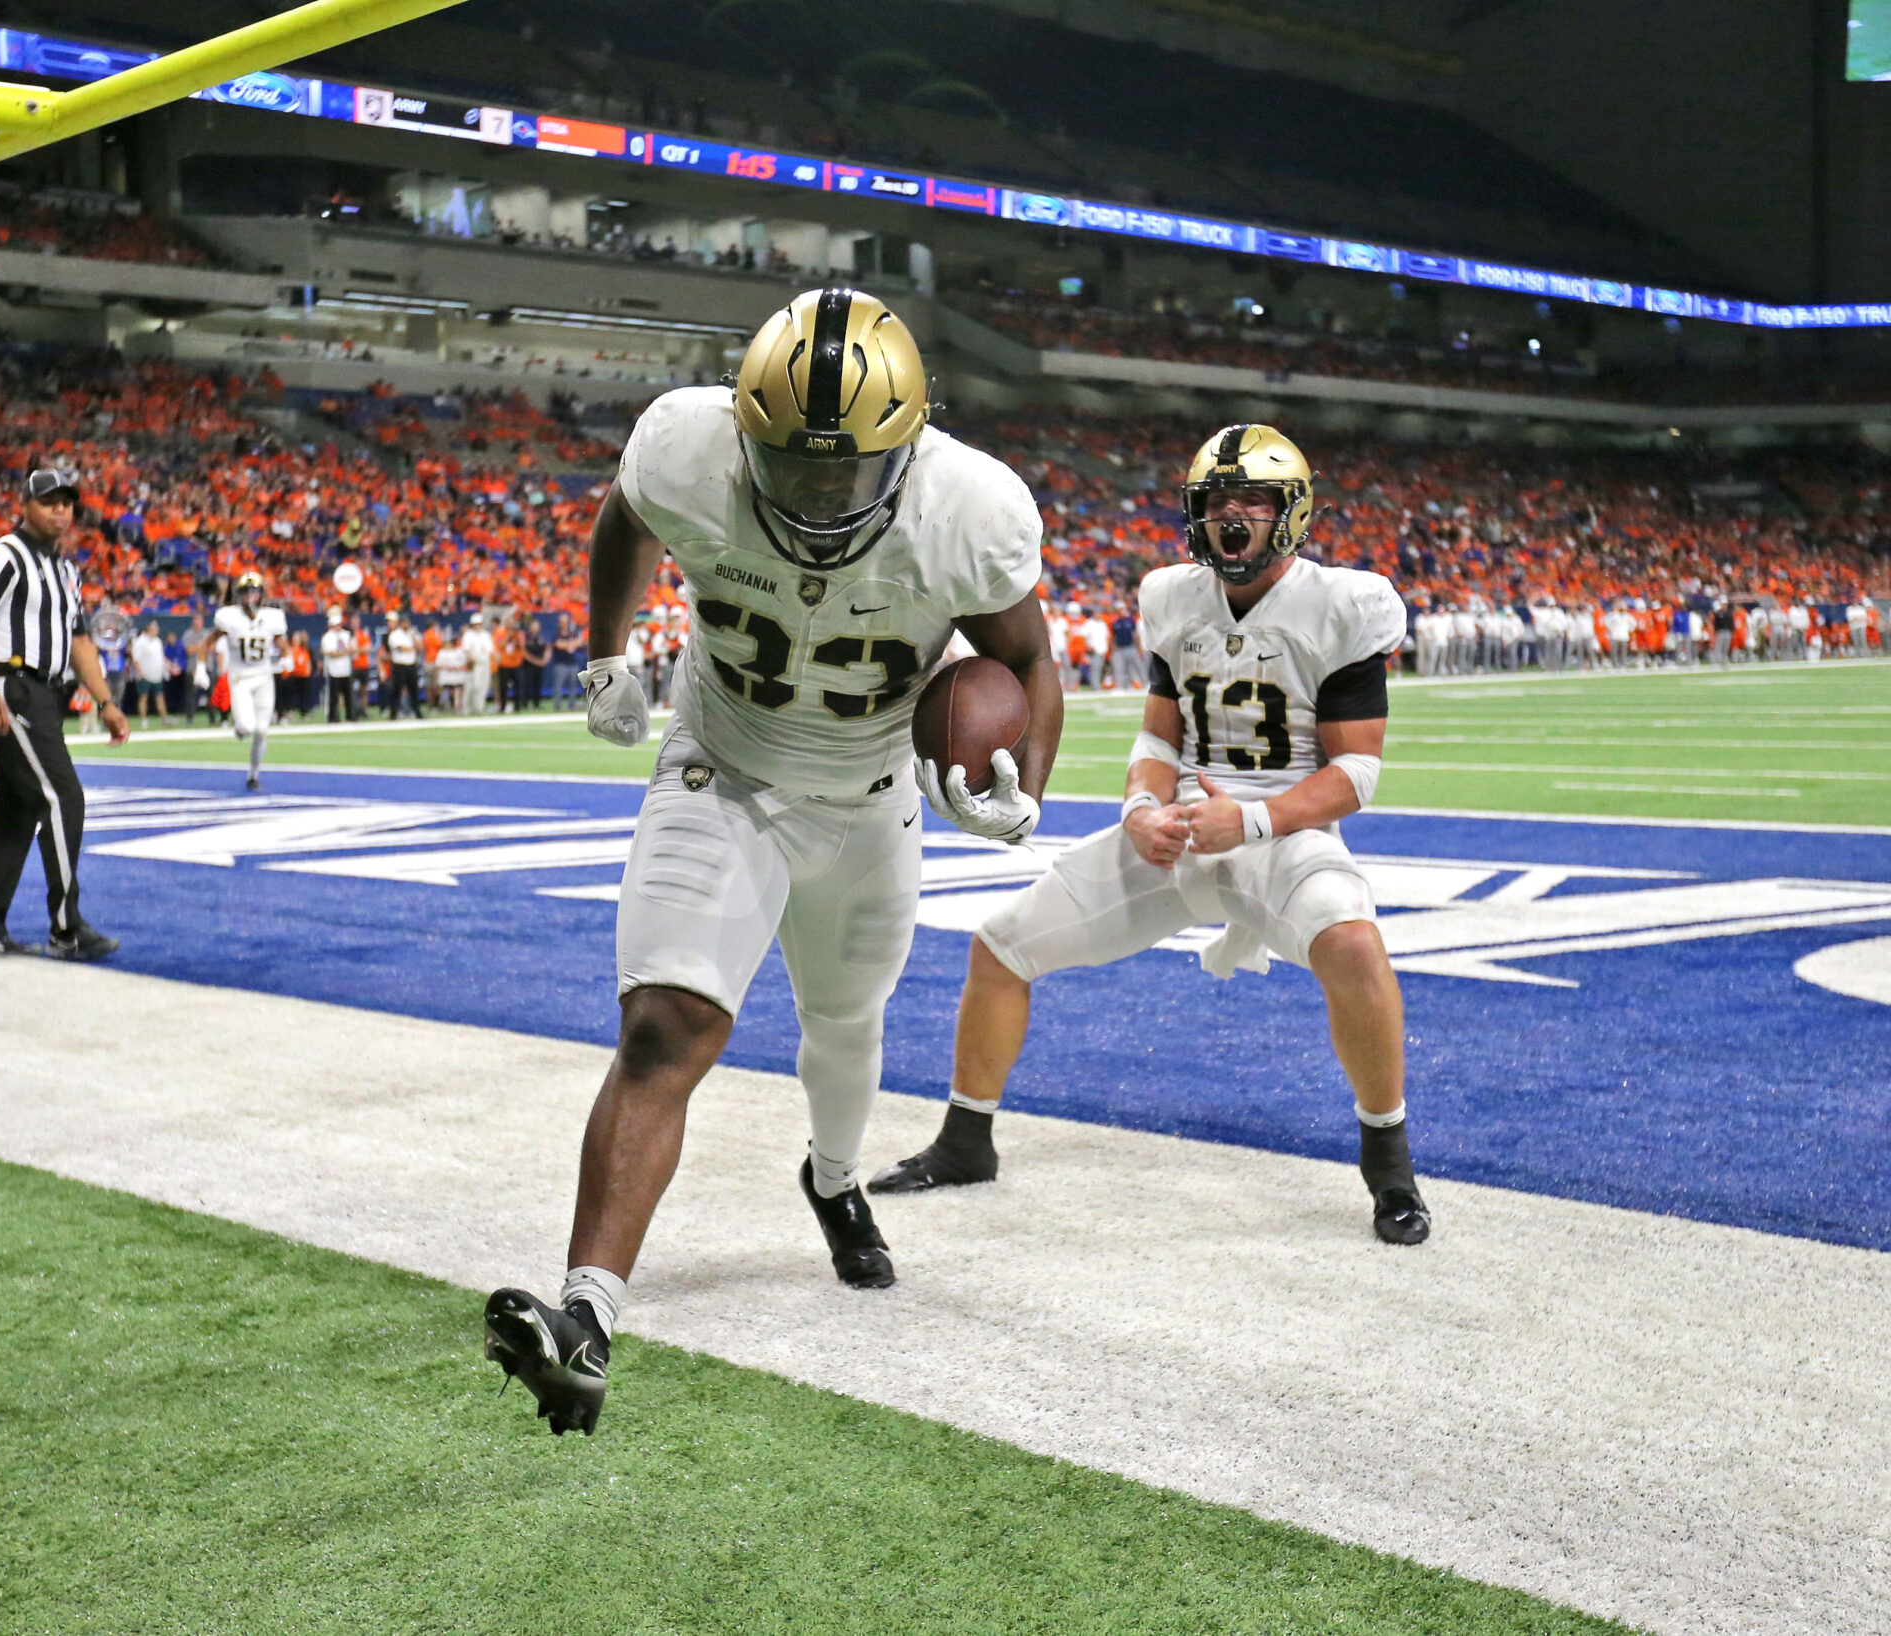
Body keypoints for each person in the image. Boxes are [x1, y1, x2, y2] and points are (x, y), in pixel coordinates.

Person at [483, 287, 1061, 1436]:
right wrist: (607, 656)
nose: (813, 493)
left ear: (907, 444)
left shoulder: (970, 506)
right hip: (724, 765)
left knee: (842, 1025)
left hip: (868, 792)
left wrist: (1023, 789)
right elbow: (622, 520)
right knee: (665, 1024)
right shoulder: (683, 445)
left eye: (842, 473)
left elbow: (1026, 661)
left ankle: (834, 1177)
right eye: (789, 466)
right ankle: (587, 1315)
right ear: (743, 429)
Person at [869, 424, 1427, 1248]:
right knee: (1000, 946)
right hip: (1176, 834)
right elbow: (1160, 740)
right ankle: (965, 1141)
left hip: (1283, 834)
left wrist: (1253, 818)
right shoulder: (1170, 596)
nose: (1233, 517)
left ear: (1292, 512)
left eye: (1254, 501)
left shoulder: (1345, 603)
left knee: (1353, 947)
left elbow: (1357, 774)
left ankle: (1391, 1168)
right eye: (1217, 502)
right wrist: (1140, 810)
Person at [0, 467, 127, 959]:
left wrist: (106, 701)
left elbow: (79, 641)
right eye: (49, 501)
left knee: (15, 809)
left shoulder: (67, 571)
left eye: (67, 503)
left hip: (44, 692)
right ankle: (66, 928)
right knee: (61, 797)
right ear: (24, 505)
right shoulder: (3, 555)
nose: (60, 511)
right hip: (12, 685)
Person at [213, 570, 286, 790]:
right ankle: (240, 728)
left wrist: (288, 658)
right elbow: (209, 642)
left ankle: (253, 775)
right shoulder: (229, 616)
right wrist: (199, 667)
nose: (251, 596)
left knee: (262, 730)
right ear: (239, 594)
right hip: (240, 678)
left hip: (264, 677)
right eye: (247, 592)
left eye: (255, 592)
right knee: (246, 727)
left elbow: (283, 645)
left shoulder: (273, 617)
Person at [321, 607, 359, 721]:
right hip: (333, 670)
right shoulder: (327, 637)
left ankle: (351, 716)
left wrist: (343, 652)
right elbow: (330, 653)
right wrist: (344, 652)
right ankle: (332, 717)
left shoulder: (346, 634)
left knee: (348, 695)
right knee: (333, 697)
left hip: (345, 669)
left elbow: (353, 649)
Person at [383, 610, 422, 717]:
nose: (406, 624)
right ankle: (393, 713)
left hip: (411, 665)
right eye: (404, 622)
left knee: (413, 690)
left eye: (407, 622)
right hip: (399, 665)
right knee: (396, 690)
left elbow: (420, 647)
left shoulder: (412, 633)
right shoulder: (395, 634)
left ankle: (417, 712)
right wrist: (411, 648)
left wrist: (413, 637)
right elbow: (401, 648)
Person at [131, 621, 169, 723]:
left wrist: (167, 666)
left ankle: (164, 718)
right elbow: (136, 659)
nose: (157, 630)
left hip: (157, 674)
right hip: (145, 674)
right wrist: (139, 672)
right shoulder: (140, 642)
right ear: (149, 629)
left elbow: (161, 657)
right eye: (155, 628)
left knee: (160, 697)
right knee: (143, 697)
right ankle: (143, 719)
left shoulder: (157, 641)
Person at [461, 610, 496, 714]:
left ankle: (479, 708)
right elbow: (466, 650)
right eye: (475, 624)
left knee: (483, 686)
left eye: (479, 624)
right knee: (472, 686)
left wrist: (495, 659)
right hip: (474, 664)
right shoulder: (468, 635)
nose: (477, 626)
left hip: (485, 663)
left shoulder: (486, 635)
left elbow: (490, 650)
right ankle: (467, 708)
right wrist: (472, 659)